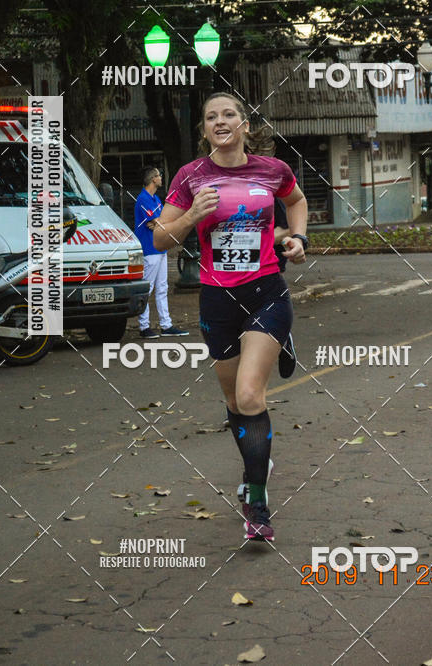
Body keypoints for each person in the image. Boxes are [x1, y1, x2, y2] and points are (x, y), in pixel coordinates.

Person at [152, 92, 308, 542]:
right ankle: (254, 464)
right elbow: (161, 239)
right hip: (217, 302)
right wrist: (189, 218)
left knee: (250, 395)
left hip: (266, 293)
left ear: (244, 124)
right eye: (211, 117)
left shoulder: (272, 170)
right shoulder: (190, 177)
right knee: (236, 404)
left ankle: (256, 501)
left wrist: (297, 239)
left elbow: (295, 201)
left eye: (229, 114)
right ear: (204, 131)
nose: (220, 121)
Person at [134, 166, 188, 338]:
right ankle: (144, 327)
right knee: (147, 288)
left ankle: (166, 325)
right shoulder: (143, 199)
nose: (161, 177)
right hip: (149, 249)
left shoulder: (155, 198)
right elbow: (155, 222)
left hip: (160, 247)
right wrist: (159, 223)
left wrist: (159, 223)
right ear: (152, 179)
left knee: (162, 287)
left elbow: (162, 221)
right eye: (158, 175)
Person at [273, 198, 298, 379]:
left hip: (269, 260)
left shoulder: (270, 195)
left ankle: (283, 338)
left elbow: (289, 228)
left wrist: (256, 239)